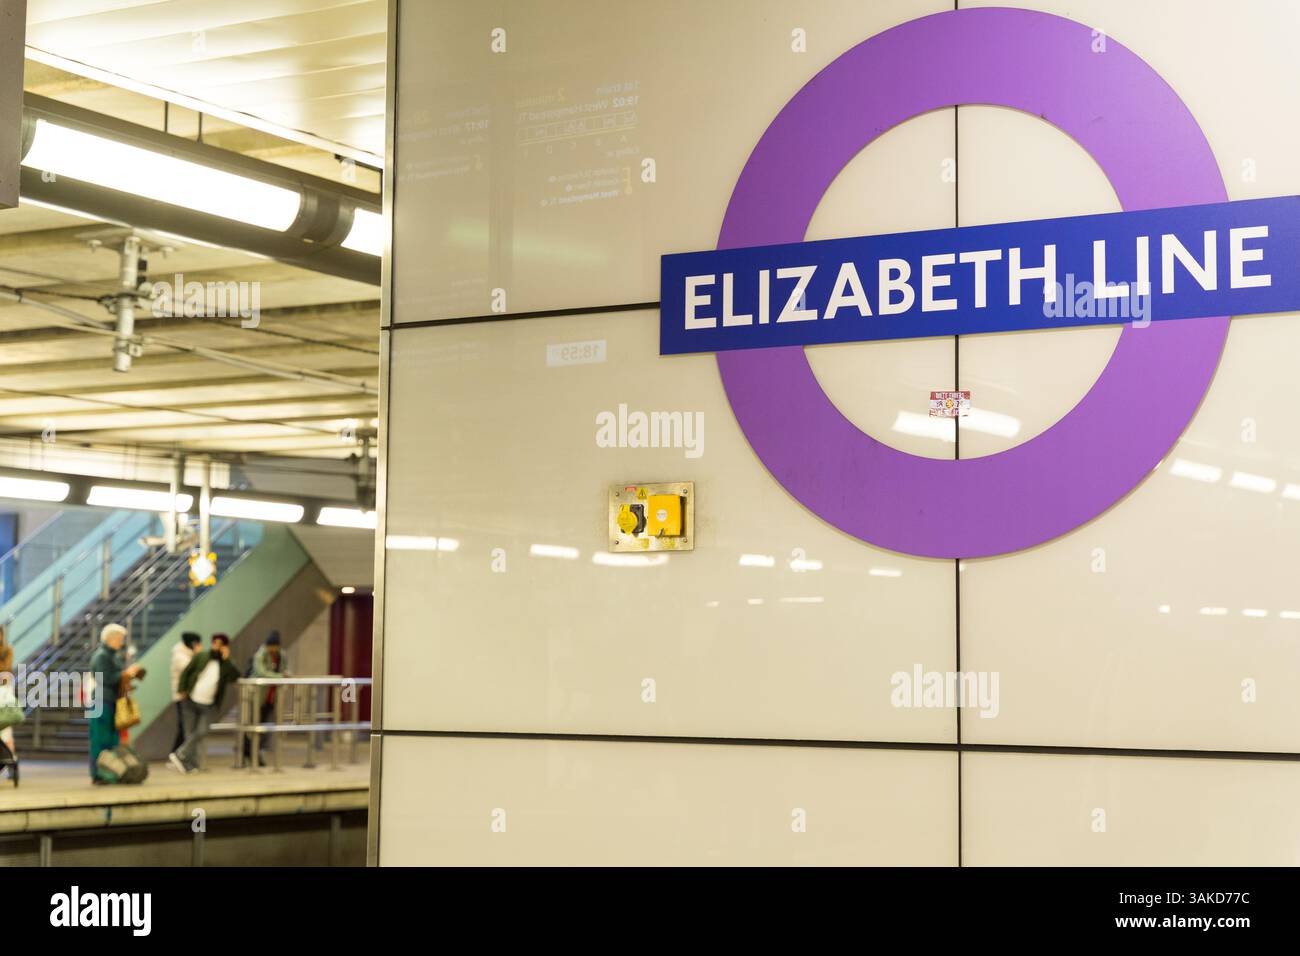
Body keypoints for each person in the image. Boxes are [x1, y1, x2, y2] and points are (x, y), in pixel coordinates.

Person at [170, 633, 239, 774]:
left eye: (221, 645)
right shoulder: (202, 656)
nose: (217, 647)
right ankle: (191, 764)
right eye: (215, 643)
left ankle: (180, 753)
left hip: (209, 704)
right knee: (190, 733)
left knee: (201, 731)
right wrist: (182, 690)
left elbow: (235, 676)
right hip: (190, 699)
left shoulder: (225, 664)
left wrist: (226, 659)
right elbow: (186, 673)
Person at [87, 623, 139, 783]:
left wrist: (127, 677)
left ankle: (109, 771)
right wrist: (127, 674)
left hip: (110, 701)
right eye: (119, 639)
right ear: (111, 638)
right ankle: (98, 773)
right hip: (102, 702)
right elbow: (106, 678)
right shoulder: (102, 656)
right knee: (100, 740)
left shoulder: (111, 656)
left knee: (111, 740)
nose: (121, 643)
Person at [243, 630, 289, 766]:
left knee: (264, 727)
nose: (272, 649)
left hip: (271, 696)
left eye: (274, 646)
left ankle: (256, 753)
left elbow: (284, 669)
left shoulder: (282, 655)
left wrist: (287, 675)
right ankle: (248, 753)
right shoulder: (261, 654)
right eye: (270, 646)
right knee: (252, 725)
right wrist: (280, 677)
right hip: (256, 695)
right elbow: (261, 672)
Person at [169, 632, 202, 752]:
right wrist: (198, 655)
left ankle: (178, 753)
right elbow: (191, 670)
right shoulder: (180, 656)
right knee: (184, 727)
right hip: (182, 696)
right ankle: (176, 753)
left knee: (185, 727)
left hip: (186, 695)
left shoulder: (185, 654)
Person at [0, 625, 15, 771]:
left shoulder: (7, 650)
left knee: (5, 730)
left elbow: (6, 670)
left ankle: (10, 763)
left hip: (3, 693)